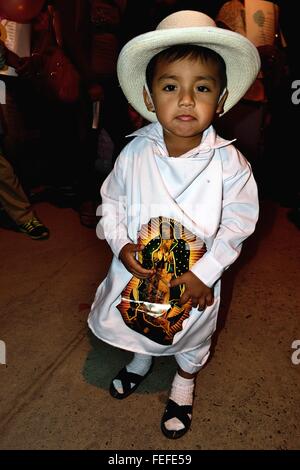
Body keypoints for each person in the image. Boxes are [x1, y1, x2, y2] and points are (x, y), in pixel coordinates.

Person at [88, 10, 260, 439]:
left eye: (201, 88)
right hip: (141, 268)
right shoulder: (133, 153)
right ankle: (141, 360)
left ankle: (184, 383)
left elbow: (238, 224)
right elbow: (111, 203)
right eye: (171, 87)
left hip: (195, 275)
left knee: (193, 332)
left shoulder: (231, 164)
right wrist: (119, 243)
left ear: (220, 100)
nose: (186, 99)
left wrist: (205, 272)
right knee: (140, 317)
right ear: (149, 99)